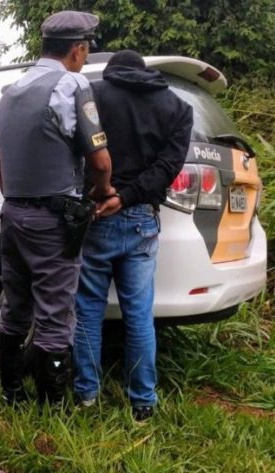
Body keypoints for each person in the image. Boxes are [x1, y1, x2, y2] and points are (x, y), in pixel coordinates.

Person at [0, 10, 114, 406]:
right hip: (52, 218)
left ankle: (12, 394)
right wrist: (102, 190)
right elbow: (99, 161)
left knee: (15, 307)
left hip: (12, 215)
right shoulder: (72, 84)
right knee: (55, 317)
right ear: (78, 49)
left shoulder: (11, 92)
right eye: (86, 48)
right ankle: (52, 410)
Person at [73, 51, 193, 420]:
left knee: (88, 310)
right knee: (139, 313)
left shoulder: (92, 95)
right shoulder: (177, 107)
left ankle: (87, 397)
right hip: (142, 218)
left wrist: (107, 195)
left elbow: (76, 151)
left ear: (111, 72)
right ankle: (142, 402)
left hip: (97, 213)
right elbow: (167, 168)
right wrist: (127, 198)